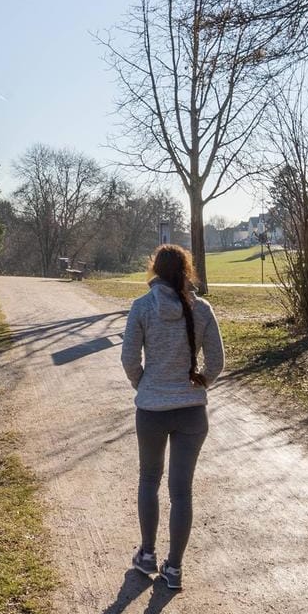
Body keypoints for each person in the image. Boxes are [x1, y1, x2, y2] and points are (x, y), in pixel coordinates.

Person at [119, 243, 224, 591]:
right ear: (186, 270)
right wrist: (199, 383)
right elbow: (218, 363)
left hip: (151, 410)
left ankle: (147, 555)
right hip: (192, 412)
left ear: (155, 270)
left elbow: (129, 359)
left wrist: (144, 385)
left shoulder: (142, 308)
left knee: (149, 480)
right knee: (182, 492)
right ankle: (174, 569)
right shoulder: (203, 309)